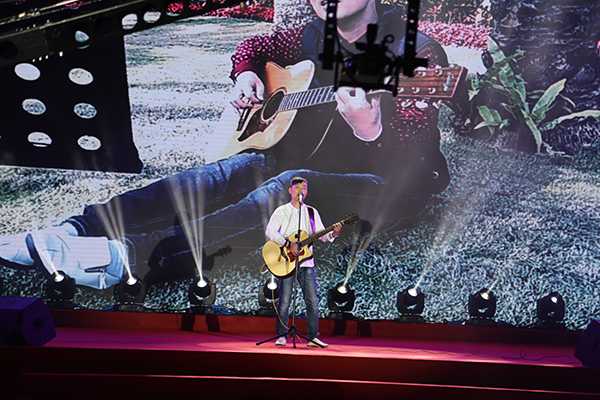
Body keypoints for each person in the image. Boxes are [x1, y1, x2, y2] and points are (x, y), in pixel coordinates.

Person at [0, 0, 452, 292]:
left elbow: (412, 159)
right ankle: (77, 230)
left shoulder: (417, 53)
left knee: (285, 190)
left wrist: (370, 130)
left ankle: (126, 258)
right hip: (301, 157)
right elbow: (254, 45)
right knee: (216, 175)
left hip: (386, 187)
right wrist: (246, 74)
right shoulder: (311, 35)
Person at [266, 176, 342, 348]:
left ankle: (313, 337)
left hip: (307, 264)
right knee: (284, 302)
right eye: (298, 188)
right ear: (290, 190)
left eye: (304, 188)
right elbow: (270, 231)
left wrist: (333, 234)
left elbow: (322, 235)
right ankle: (282, 335)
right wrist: (288, 243)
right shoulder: (282, 211)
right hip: (287, 262)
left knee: (312, 301)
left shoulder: (312, 212)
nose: (301, 191)